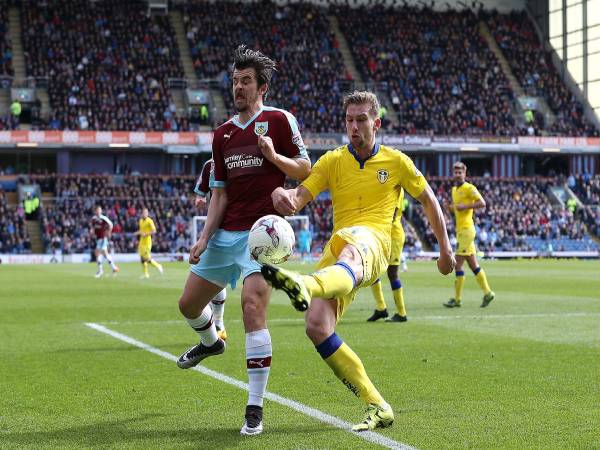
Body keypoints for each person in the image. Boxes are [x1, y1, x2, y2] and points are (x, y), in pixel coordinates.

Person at [261, 91, 455, 431]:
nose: (354, 126)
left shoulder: (397, 162)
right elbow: (299, 197)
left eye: (361, 119)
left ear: (376, 123)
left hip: (374, 244)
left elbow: (428, 200)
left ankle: (303, 284)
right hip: (338, 250)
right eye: (349, 120)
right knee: (317, 327)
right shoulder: (333, 161)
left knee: (351, 249)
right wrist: (283, 197)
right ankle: (378, 405)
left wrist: (445, 249)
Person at [176, 45, 310, 436]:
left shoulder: (281, 121)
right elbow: (219, 193)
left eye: (246, 81)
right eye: (235, 81)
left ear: (262, 86)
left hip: (262, 236)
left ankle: (254, 408)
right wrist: (203, 238)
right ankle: (212, 342)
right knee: (187, 305)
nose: (238, 87)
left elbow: (305, 168)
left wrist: (274, 157)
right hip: (224, 233)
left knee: (252, 308)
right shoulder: (222, 134)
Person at [443, 161, 495, 308]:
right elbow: (457, 211)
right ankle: (488, 293)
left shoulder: (469, 188)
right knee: (473, 265)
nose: (458, 174)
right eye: (456, 172)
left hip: (467, 230)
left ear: (465, 174)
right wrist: (449, 208)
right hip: (460, 231)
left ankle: (457, 299)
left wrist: (465, 206)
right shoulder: (454, 190)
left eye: (460, 172)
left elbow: (482, 203)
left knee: (458, 265)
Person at [193, 158, 228, 341]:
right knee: (215, 277)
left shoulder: (244, 157)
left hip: (244, 225)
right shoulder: (210, 165)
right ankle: (219, 322)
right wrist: (200, 199)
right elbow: (200, 192)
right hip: (217, 228)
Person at [366, 188, 409, 323]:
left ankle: (402, 313)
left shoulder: (398, 190)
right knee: (373, 270)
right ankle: (381, 308)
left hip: (393, 235)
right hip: (382, 234)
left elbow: (392, 214)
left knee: (392, 273)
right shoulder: (386, 185)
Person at [134, 207, 163, 279]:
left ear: (147, 213)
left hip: (147, 242)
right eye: (143, 213)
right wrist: (136, 233)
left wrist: (146, 234)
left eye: (145, 213)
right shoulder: (140, 220)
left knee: (146, 258)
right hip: (141, 242)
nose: (144, 214)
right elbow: (141, 231)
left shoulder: (149, 221)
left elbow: (154, 231)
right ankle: (146, 274)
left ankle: (158, 265)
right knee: (142, 258)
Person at [90, 206, 119, 278]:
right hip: (98, 238)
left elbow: (111, 224)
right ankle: (114, 268)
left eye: (100, 210)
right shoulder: (94, 219)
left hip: (103, 238)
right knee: (105, 254)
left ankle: (100, 270)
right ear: (95, 211)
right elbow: (93, 227)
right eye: (97, 210)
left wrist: (109, 232)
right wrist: (92, 231)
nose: (98, 212)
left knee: (97, 253)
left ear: (101, 211)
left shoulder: (103, 218)